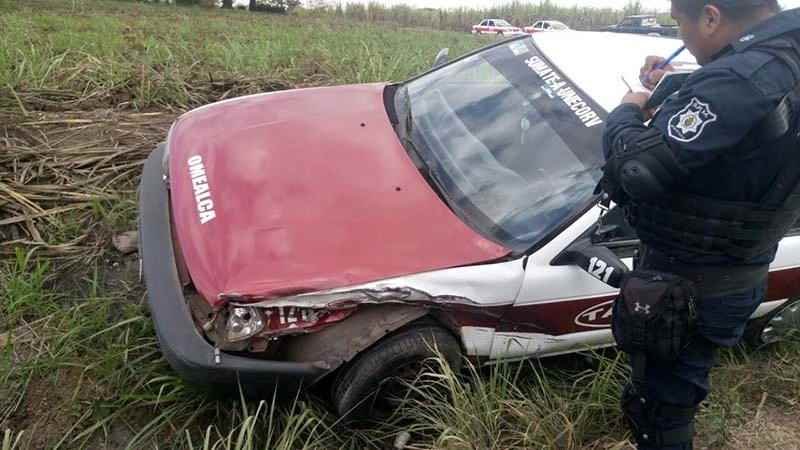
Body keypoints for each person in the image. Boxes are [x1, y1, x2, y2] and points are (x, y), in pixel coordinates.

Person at [600, 1, 800, 449]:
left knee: (662, 411)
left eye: (681, 26)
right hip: (737, 266)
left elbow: (636, 171)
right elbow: (747, 124)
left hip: (689, 284)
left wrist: (627, 111)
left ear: (711, 16)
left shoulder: (740, 79)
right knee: (669, 391)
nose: (681, 40)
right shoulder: (785, 53)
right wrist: (676, 89)